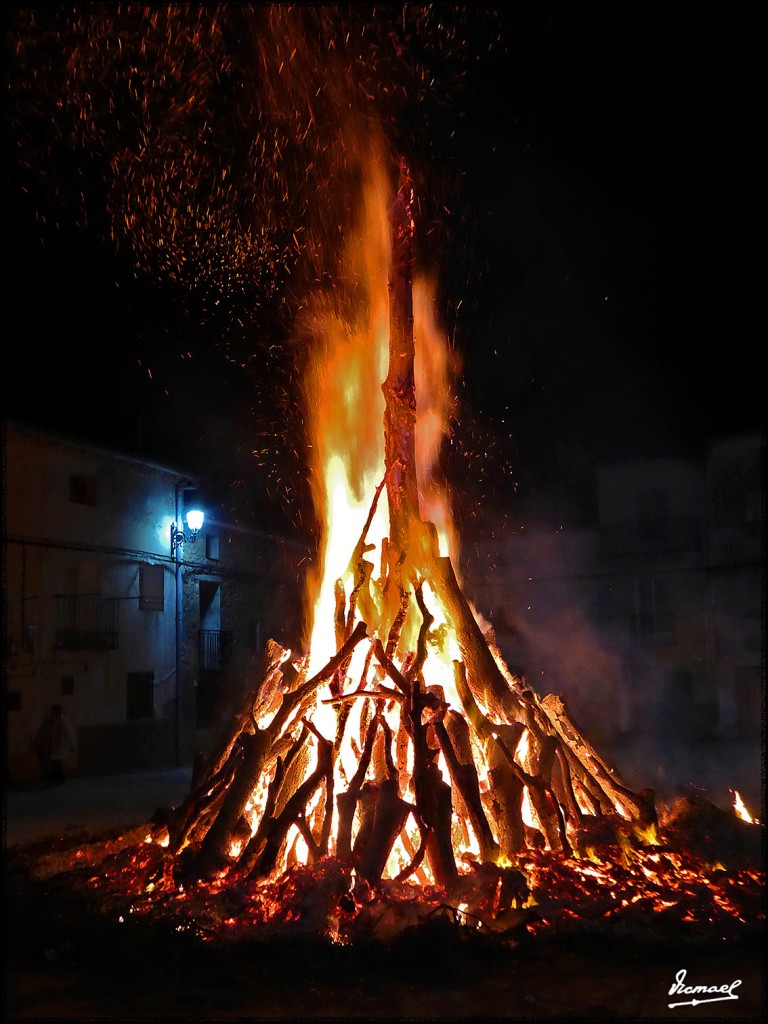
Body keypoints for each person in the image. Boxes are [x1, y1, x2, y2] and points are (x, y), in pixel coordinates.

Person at [40, 704, 76, 785]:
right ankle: (59, 779)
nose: (52, 712)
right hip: (53, 745)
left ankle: (58, 779)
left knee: (56, 763)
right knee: (55, 763)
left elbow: (69, 733)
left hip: (60, 745)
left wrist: (72, 745)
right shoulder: (52, 721)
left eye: (54, 711)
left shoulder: (64, 721)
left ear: (58, 711)